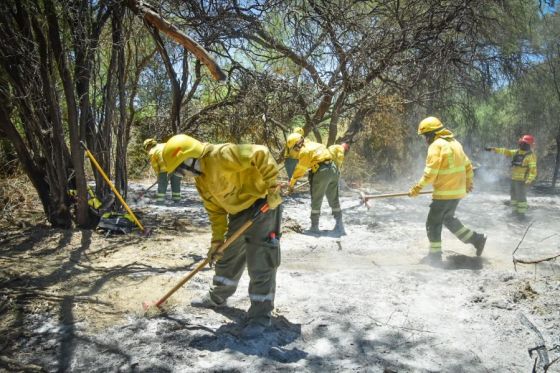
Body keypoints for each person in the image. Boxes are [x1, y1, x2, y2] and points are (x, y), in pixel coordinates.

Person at [162, 134, 283, 338]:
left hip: (263, 205)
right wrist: (217, 242)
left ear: (190, 159)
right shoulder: (201, 182)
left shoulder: (221, 155)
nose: (182, 175)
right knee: (226, 256)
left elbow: (260, 152)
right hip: (238, 213)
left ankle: (260, 317)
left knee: (260, 262)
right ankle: (217, 297)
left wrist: (273, 187)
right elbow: (216, 212)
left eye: (180, 169)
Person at [409, 116, 486, 266]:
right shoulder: (455, 143)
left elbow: (430, 173)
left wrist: (417, 188)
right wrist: (469, 182)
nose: (425, 140)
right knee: (448, 220)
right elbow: (468, 166)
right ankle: (477, 239)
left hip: (444, 194)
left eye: (425, 136)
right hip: (456, 193)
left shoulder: (435, 146)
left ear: (431, 134)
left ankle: (434, 256)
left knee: (433, 223)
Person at [286, 133, 345, 235]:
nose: (295, 150)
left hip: (321, 172)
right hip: (333, 169)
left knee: (317, 199)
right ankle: (340, 226)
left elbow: (300, 170)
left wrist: (291, 184)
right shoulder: (317, 145)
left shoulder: (304, 151)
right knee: (333, 198)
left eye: (295, 148)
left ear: (297, 144)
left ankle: (314, 227)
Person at [485, 135, 537, 217]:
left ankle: (521, 215)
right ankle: (514, 212)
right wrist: (494, 149)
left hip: (523, 181)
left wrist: (529, 180)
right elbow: (506, 151)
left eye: (524, 143)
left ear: (529, 145)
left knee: (521, 198)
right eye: (522, 143)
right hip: (514, 179)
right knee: (513, 196)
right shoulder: (517, 152)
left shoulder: (531, 156)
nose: (522, 144)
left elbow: (533, 170)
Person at [143, 138, 181, 203]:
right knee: (176, 184)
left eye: (146, 148)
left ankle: (160, 201)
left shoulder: (152, 152)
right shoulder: (164, 145)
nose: (147, 150)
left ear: (148, 146)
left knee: (162, 185)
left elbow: (155, 166)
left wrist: (159, 176)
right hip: (176, 167)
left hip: (164, 169)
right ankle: (177, 200)